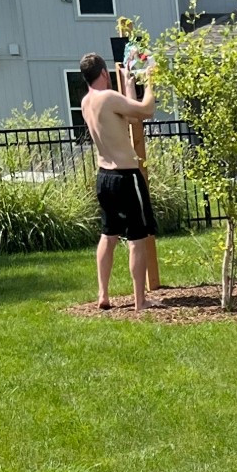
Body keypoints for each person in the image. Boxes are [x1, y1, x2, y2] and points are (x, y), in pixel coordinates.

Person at [79, 50, 157, 314]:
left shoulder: (86, 102)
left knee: (109, 234)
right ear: (103, 73)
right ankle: (140, 301)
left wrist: (128, 83)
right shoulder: (109, 98)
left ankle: (103, 294)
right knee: (137, 237)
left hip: (104, 178)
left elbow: (129, 116)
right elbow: (145, 111)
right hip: (126, 177)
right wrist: (150, 80)